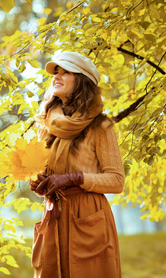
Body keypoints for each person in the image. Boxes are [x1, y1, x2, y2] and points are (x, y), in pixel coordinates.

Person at [29, 51, 125, 278]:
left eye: (66, 71)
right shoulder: (45, 124)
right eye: (56, 72)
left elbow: (117, 181)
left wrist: (76, 178)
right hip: (53, 215)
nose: (57, 76)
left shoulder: (101, 126)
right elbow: (38, 172)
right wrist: (37, 183)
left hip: (89, 216)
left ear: (82, 80)